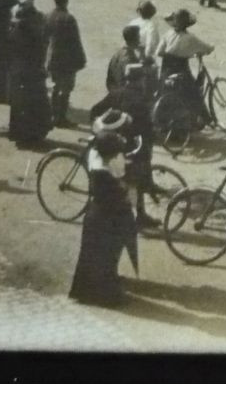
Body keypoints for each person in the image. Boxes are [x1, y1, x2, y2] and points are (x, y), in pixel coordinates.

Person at [68, 126, 138, 307]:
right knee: (106, 258)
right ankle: (104, 296)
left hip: (96, 218)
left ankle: (85, 292)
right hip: (106, 221)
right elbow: (121, 196)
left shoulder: (95, 158)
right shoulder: (105, 175)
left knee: (91, 258)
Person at [90, 66, 158, 229]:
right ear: (140, 80)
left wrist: (102, 129)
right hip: (125, 146)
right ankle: (139, 216)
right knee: (137, 178)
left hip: (111, 143)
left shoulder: (116, 93)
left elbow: (95, 110)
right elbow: (146, 130)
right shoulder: (139, 101)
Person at [6, 0, 53, 148]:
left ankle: (18, 134)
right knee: (34, 103)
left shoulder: (14, 32)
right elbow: (41, 48)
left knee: (19, 104)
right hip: (32, 71)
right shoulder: (33, 32)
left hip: (17, 70)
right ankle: (32, 135)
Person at [46, 0, 86, 125]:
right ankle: (61, 117)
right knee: (66, 89)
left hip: (51, 58)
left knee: (55, 87)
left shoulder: (48, 16)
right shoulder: (68, 19)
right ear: (66, 0)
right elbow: (75, 41)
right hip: (66, 60)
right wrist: (81, 60)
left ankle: (52, 115)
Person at [106, 24, 149, 93]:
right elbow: (136, 77)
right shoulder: (129, 56)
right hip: (125, 94)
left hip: (114, 91)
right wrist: (143, 55)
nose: (140, 41)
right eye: (138, 37)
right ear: (135, 39)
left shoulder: (117, 54)